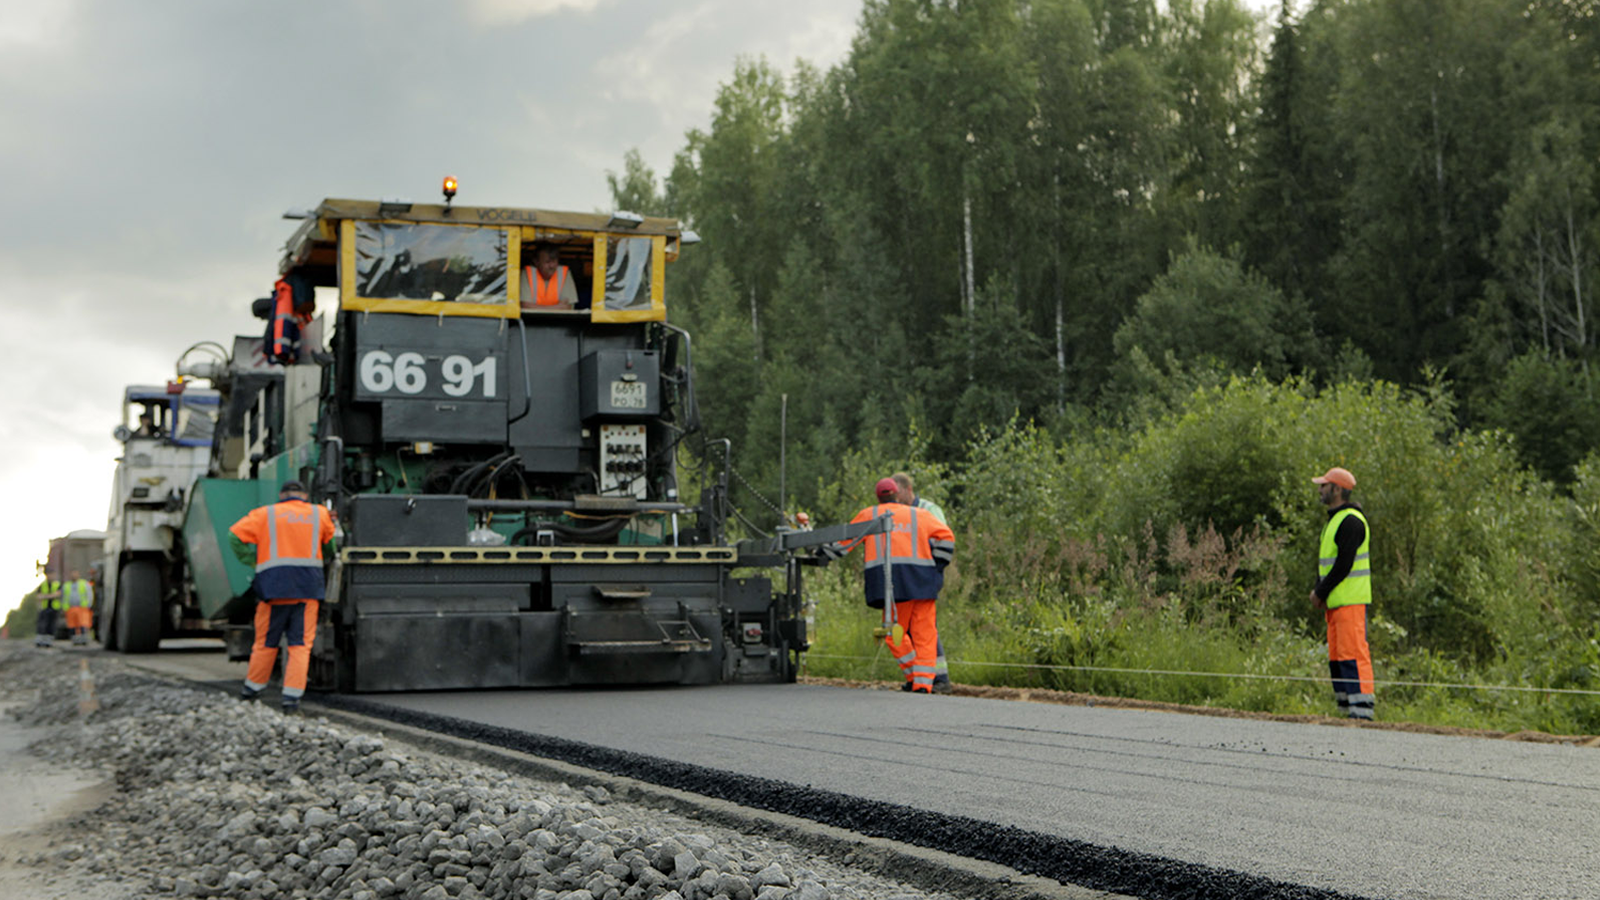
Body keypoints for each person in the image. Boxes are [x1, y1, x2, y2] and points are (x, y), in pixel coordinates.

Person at [823, 478, 955, 694]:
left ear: (879, 497)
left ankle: (915, 676)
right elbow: (947, 537)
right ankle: (923, 684)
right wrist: (937, 565)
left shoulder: (870, 515)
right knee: (925, 635)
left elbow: (845, 542)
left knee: (893, 633)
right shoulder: (920, 515)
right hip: (924, 583)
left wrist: (822, 553)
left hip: (895, 586)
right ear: (897, 495)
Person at [230, 481, 335, 713]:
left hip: (273, 590)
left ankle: (251, 691)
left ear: (281, 496)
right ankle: (291, 699)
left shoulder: (265, 514)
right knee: (300, 645)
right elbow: (330, 546)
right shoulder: (319, 514)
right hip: (306, 591)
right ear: (305, 496)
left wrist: (251, 560)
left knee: (266, 643)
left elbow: (234, 536)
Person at [1310, 466, 1375, 721]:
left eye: (1324, 486)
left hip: (1350, 602)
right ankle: (1346, 711)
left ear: (1337, 489)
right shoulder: (1335, 521)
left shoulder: (1351, 521)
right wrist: (1320, 591)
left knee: (1353, 656)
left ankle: (1362, 714)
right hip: (1336, 603)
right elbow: (1326, 564)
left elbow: (1343, 564)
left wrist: (1319, 591)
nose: (1320, 490)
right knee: (1338, 658)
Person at [892, 471, 954, 694]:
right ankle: (919, 677)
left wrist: (933, 570)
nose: (896, 502)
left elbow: (944, 539)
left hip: (925, 575)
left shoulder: (929, 510)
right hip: (908, 577)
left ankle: (939, 678)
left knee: (925, 628)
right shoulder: (900, 512)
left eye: (899, 496)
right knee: (906, 629)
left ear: (908, 490)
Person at [522, 243, 579, 310]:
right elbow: (525, 306)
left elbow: (567, 307)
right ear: (536, 262)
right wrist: (557, 307)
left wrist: (536, 307)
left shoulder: (564, 273)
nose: (551, 266)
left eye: (554, 261)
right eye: (547, 262)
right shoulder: (528, 273)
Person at [61, 573, 94, 647]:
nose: (74, 576)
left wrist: (89, 604)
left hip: (82, 608)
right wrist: (64, 607)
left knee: (82, 624)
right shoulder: (66, 585)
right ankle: (75, 640)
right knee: (72, 625)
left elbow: (89, 595)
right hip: (70, 608)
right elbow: (63, 597)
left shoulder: (84, 584)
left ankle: (83, 640)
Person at [33, 579, 64, 648]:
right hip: (44, 608)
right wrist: (51, 596)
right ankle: (40, 641)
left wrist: (45, 596)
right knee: (42, 625)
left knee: (51, 625)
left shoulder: (57, 584)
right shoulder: (42, 585)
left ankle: (48, 641)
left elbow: (58, 594)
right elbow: (38, 596)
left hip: (54, 608)